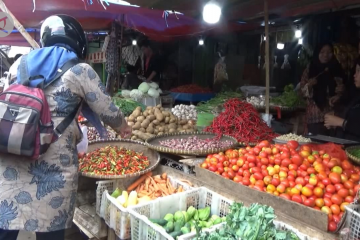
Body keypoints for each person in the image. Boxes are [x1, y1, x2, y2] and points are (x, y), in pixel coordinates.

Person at [0, 15, 131, 240]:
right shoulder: (80, 70)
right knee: (49, 229)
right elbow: (107, 109)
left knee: (7, 222)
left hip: (13, 155)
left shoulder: (18, 65)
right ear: (77, 40)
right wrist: (124, 128)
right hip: (54, 166)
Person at [300, 42, 345, 135]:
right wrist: (309, 85)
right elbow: (302, 92)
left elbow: (345, 89)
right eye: (322, 52)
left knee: (331, 144)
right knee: (315, 143)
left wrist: (341, 91)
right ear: (317, 53)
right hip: (314, 115)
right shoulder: (310, 68)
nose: (326, 55)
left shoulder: (337, 68)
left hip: (333, 115)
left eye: (329, 52)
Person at [324, 58, 360, 141]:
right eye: (355, 71)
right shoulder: (356, 95)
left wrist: (341, 122)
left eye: (359, 71)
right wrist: (335, 122)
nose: (355, 75)